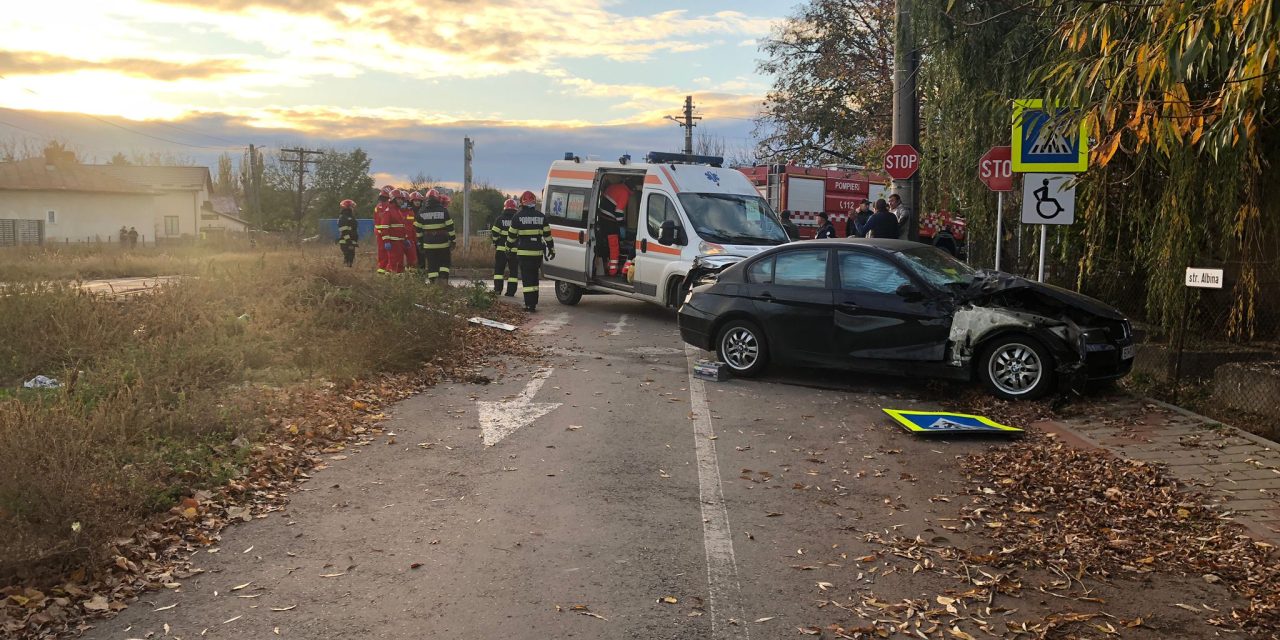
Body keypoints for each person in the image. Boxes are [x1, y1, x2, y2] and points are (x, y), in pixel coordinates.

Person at [507, 190, 553, 312]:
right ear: (534, 202)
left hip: (524, 253)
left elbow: (511, 237)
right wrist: (551, 249)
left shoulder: (517, 217)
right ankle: (534, 302)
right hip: (537, 253)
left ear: (522, 202)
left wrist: (508, 248)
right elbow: (548, 236)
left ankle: (529, 305)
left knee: (527, 279)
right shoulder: (541, 217)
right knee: (534, 278)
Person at [416, 188, 456, 284]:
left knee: (432, 265)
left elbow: (418, 231)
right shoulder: (443, 211)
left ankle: (433, 285)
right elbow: (450, 228)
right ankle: (444, 281)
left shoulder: (421, 212)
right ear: (438, 198)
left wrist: (420, 243)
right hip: (443, 244)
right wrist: (453, 240)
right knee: (444, 263)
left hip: (428, 245)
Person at [595, 183, 630, 277]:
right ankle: (613, 271)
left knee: (605, 246)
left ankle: (607, 267)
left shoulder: (614, 186)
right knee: (614, 247)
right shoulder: (625, 193)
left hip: (602, 218)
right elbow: (618, 213)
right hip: (609, 222)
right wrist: (622, 226)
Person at [490, 198, 520, 296]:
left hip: (501, 249)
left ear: (505, 208)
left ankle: (498, 290)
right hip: (514, 250)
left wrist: (496, 241)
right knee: (513, 272)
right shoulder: (518, 219)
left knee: (499, 271)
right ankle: (511, 292)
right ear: (515, 208)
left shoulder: (500, 219)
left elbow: (494, 232)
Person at [373, 186, 395, 273]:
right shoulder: (389, 207)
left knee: (382, 253)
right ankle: (388, 270)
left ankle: (382, 269)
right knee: (390, 254)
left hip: (379, 233)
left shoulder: (378, 206)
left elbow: (376, 221)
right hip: (387, 233)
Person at [336, 198, 359, 267]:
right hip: (346, 242)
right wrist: (349, 242)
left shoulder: (350, 217)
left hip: (350, 241)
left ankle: (347, 272)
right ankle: (345, 273)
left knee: (350, 259)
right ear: (348, 207)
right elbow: (344, 232)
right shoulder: (343, 217)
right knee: (348, 259)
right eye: (352, 207)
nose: (353, 209)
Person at [405, 191, 425, 270]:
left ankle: (421, 274)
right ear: (411, 201)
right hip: (411, 239)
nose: (417, 202)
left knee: (422, 257)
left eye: (419, 201)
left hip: (421, 238)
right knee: (411, 259)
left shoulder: (424, 211)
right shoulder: (408, 212)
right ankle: (412, 276)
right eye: (415, 201)